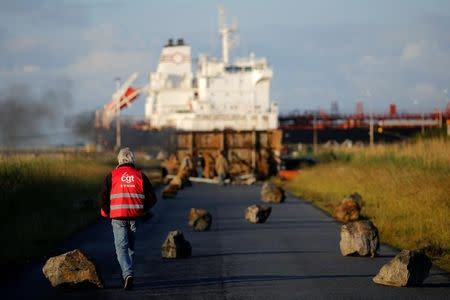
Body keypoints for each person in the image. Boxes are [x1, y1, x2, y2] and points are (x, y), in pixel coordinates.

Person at [99, 147, 157, 290]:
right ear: (132, 160)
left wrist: (107, 211)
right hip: (134, 216)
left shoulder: (111, 176)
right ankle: (127, 273)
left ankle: (127, 274)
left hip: (118, 216)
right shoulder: (140, 176)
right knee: (130, 247)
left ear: (119, 160)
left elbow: (102, 197)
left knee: (121, 248)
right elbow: (152, 198)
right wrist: (142, 210)